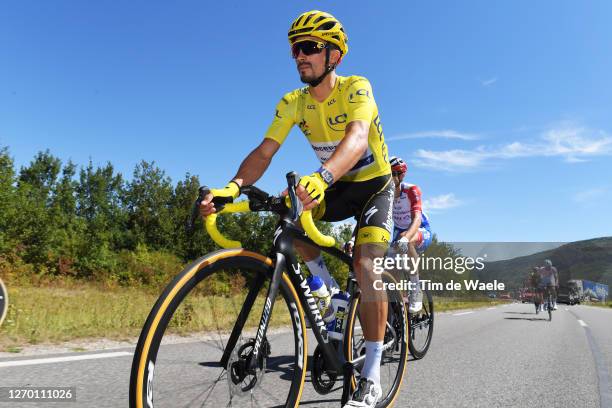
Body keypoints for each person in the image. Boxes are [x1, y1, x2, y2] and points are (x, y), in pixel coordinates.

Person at [199, 10, 393, 407]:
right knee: (287, 219)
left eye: (309, 47)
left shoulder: (356, 87)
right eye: (295, 49)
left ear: (334, 56)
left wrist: (320, 178)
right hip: (335, 185)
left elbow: (357, 138)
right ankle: (326, 289)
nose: (299, 55)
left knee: (366, 264)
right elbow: (264, 151)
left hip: (373, 187)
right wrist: (232, 188)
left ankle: (371, 372)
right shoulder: (293, 102)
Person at [389, 156, 432, 313]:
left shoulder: (411, 190)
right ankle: (399, 302)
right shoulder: (384, 194)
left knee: (404, 241)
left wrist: (407, 237)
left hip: (420, 230)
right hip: (399, 232)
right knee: (387, 264)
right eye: (387, 174)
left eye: (393, 174)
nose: (390, 178)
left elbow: (417, 219)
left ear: (401, 175)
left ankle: (416, 290)